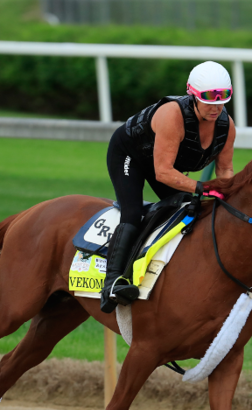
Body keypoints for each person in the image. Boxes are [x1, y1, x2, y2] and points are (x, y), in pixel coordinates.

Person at [100, 60, 237, 313]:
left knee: (188, 209)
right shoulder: (172, 115)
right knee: (133, 213)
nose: (216, 106)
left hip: (163, 162)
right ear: (192, 94)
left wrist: (230, 196)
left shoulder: (227, 127)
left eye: (223, 97)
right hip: (130, 155)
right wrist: (203, 187)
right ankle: (112, 283)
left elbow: (226, 171)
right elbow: (163, 172)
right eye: (208, 98)